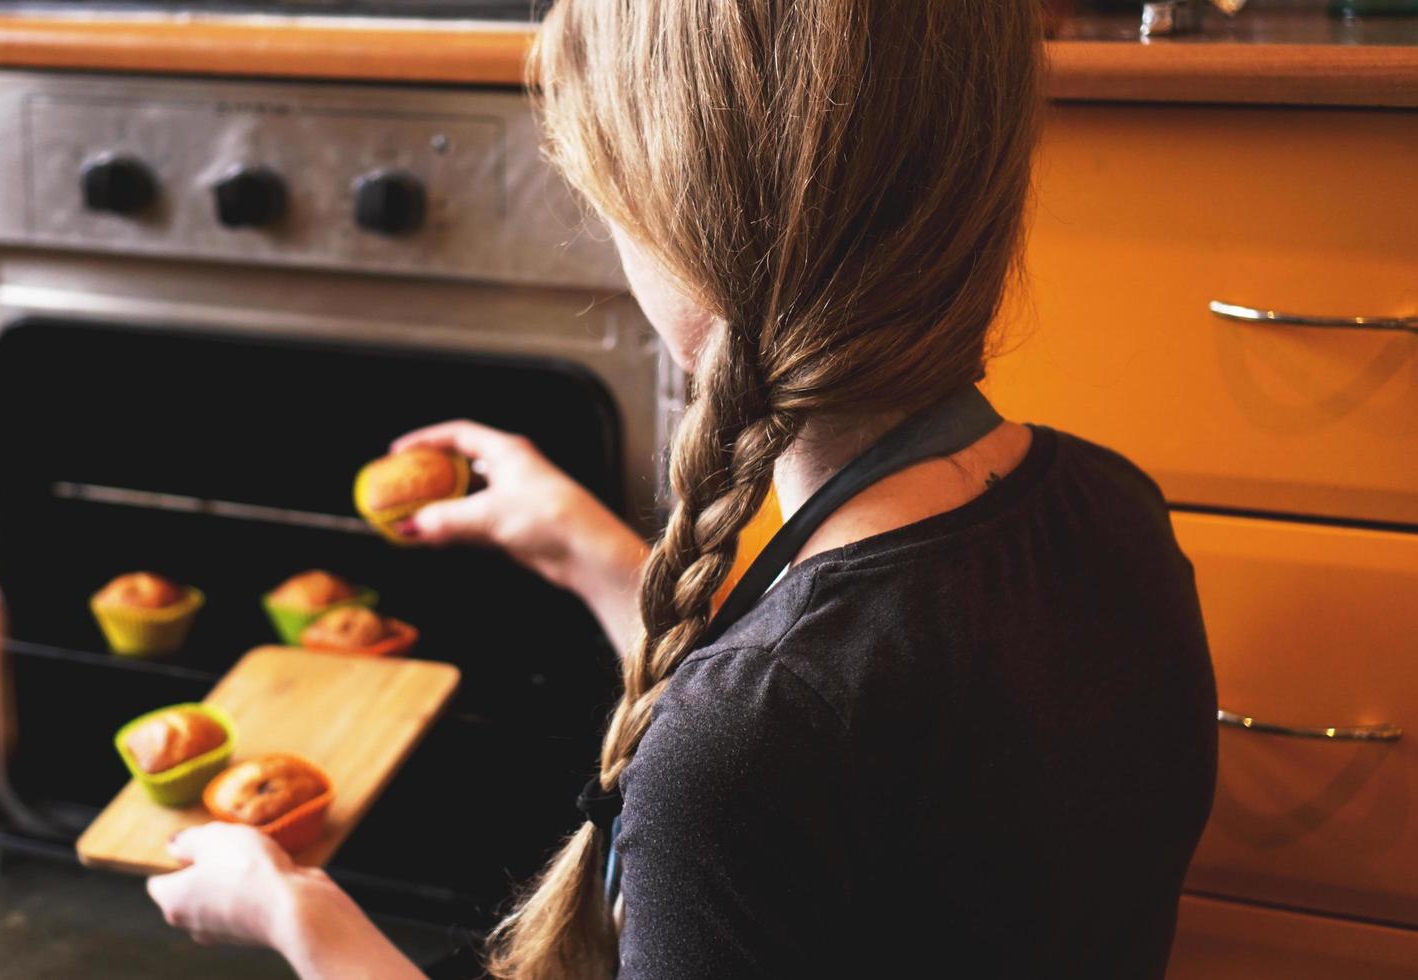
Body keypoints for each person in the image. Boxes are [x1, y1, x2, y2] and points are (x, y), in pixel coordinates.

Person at [146, 1, 1219, 977]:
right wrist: (588, 551)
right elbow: (858, 765)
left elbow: (777, 736)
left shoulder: (744, 745)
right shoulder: (1111, 513)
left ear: (674, 228)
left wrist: (302, 916)